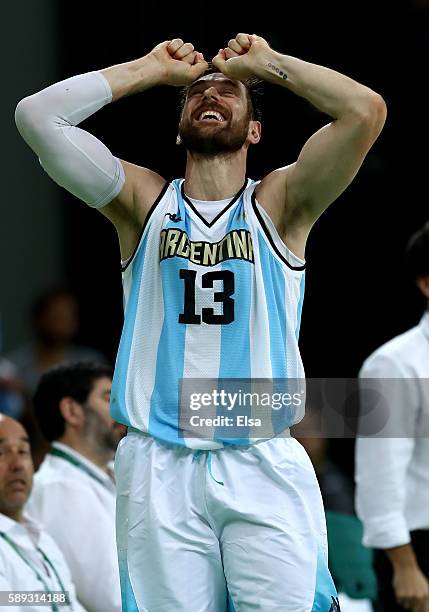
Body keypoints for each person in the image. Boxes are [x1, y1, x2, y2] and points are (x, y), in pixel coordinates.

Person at [15, 33, 386, 611]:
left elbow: (365, 110)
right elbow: (37, 117)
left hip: (261, 455)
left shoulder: (283, 204)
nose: (212, 96)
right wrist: (145, 70)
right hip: (157, 462)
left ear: (256, 129)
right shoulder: (142, 202)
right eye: (198, 92)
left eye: (230, 93)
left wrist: (270, 65)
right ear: (180, 125)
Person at [355, 222, 429, 612]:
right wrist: (405, 567)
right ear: (426, 284)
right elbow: (378, 477)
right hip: (416, 551)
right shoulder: (393, 364)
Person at [26, 362, 123, 612]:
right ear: (72, 411)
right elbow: (110, 598)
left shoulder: (110, 474)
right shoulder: (59, 487)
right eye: (108, 398)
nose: (121, 410)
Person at [0, 414, 85, 612]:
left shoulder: (44, 540)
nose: (17, 465)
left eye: (23, 451)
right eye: (1, 453)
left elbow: (69, 604)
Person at [7, 288, 106, 394]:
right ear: (39, 318)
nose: (63, 322)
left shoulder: (91, 363)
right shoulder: (12, 365)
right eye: (57, 316)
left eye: (69, 316)